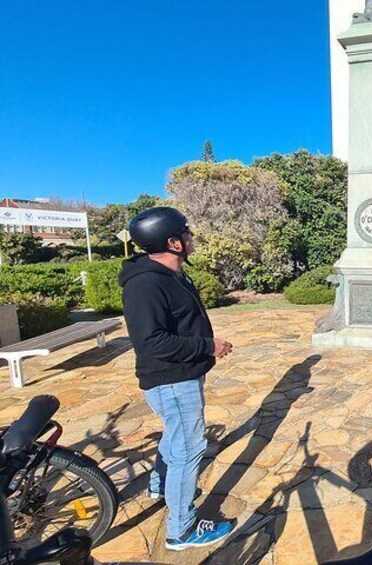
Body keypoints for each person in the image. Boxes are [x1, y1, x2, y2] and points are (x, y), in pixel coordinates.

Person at [119, 207, 235, 551]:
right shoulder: (146, 284)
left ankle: (159, 484)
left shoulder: (172, 275)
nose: (192, 237)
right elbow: (151, 341)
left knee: (177, 437)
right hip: (170, 380)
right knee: (189, 448)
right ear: (173, 242)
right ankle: (182, 530)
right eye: (187, 233)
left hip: (183, 375)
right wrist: (208, 345)